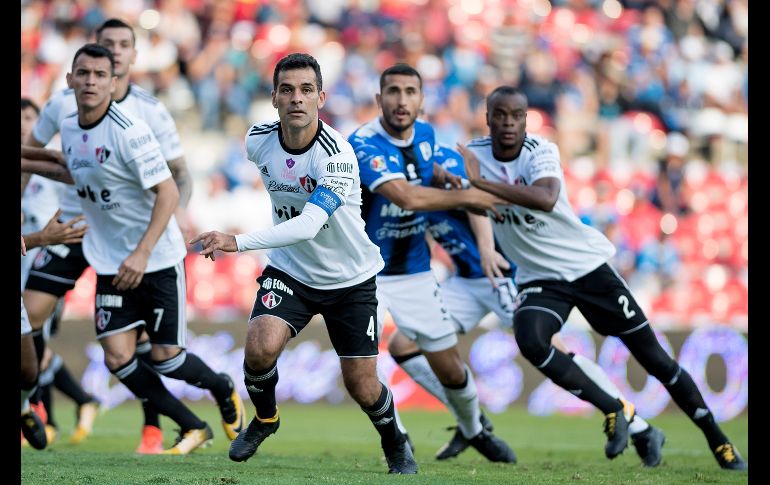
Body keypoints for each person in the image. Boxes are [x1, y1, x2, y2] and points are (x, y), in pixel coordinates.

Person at [459, 86, 747, 471]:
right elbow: (467, 197)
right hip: (540, 277)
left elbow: (544, 197)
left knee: (656, 361)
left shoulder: (540, 151)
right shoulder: (472, 155)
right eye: (501, 115)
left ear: (526, 119)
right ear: (488, 117)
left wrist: (481, 185)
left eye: (516, 116)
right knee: (530, 339)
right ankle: (614, 408)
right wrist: (484, 242)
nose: (509, 123)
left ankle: (719, 440)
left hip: (587, 268)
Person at [189, 53, 417, 474]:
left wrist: (235, 241)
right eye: (288, 89)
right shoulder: (257, 140)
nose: (297, 98)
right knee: (259, 348)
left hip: (351, 278)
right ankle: (266, 419)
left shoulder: (337, 155)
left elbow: (310, 224)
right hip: (292, 270)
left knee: (362, 387)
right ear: (274, 97)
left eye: (306, 90)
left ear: (321, 97)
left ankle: (396, 442)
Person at [25, 43, 245, 455]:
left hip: (156, 258)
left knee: (167, 359)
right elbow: (68, 167)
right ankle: (193, 426)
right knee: (117, 358)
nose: (90, 81)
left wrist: (142, 253)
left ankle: (222, 386)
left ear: (113, 82)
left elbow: (166, 194)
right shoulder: (71, 126)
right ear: (69, 80)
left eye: (98, 75)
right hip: (109, 259)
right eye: (83, 73)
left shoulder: (130, 131)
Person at [392, 142, 665, 466]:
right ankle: (471, 422)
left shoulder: (442, 159)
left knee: (556, 352)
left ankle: (638, 426)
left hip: (503, 274)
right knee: (403, 344)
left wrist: (485, 247)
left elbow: (477, 203)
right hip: (465, 281)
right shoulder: (394, 175)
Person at [348, 63, 517, 463]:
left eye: (410, 91)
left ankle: (475, 429)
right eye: (393, 91)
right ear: (379, 99)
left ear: (422, 100)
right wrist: (469, 197)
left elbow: (426, 175)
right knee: (362, 372)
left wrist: (447, 179)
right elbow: (407, 197)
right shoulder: (363, 142)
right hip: (365, 273)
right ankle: (398, 443)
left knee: (451, 369)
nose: (401, 100)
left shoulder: (426, 136)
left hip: (414, 273)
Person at [21, 97, 100, 447]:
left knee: (29, 365)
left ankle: (32, 405)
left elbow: (56, 164)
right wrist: (42, 237)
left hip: (38, 265)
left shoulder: (37, 164)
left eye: (29, 118)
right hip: (37, 249)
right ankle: (50, 416)